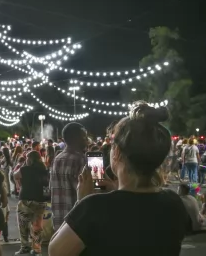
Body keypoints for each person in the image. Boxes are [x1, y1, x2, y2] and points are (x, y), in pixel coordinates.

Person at [48, 102, 188, 256]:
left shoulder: (92, 208)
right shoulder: (174, 202)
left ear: (117, 154)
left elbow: (55, 252)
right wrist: (115, 190)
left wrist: (80, 203)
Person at [50, 123, 87, 229]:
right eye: (84, 136)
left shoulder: (57, 159)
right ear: (76, 138)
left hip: (59, 222)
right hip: (78, 222)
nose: (86, 140)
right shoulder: (80, 159)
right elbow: (89, 193)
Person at [13, 151, 49, 256]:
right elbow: (46, 185)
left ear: (30, 159)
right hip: (40, 200)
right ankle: (37, 249)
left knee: (23, 225)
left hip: (26, 199)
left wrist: (19, 184)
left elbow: (15, 175)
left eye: (27, 158)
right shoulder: (44, 170)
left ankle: (25, 247)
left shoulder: (25, 169)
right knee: (37, 226)